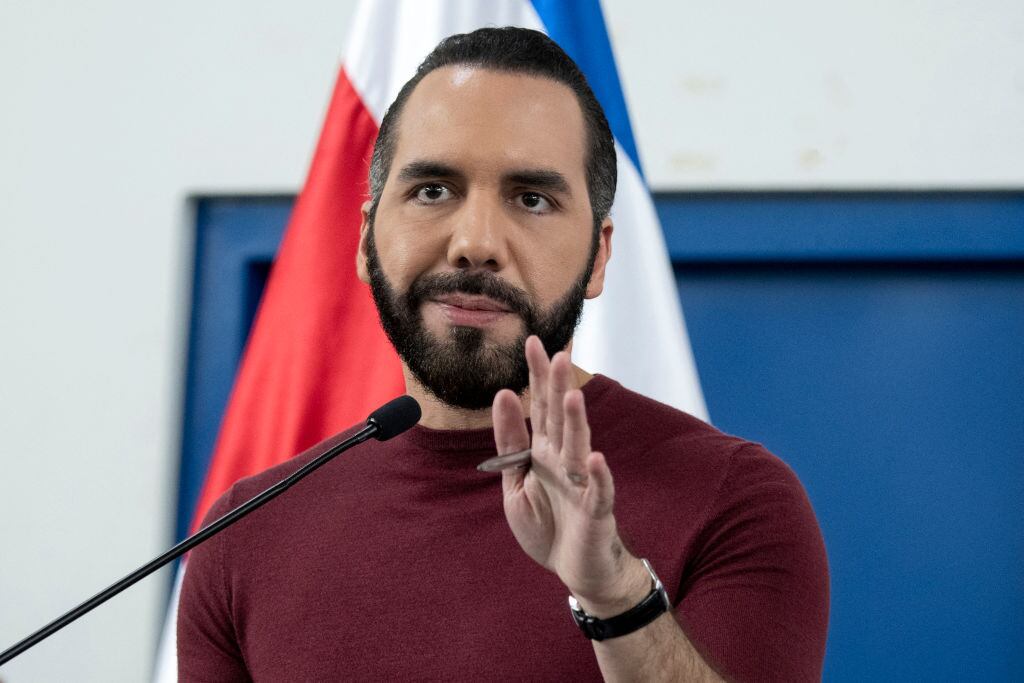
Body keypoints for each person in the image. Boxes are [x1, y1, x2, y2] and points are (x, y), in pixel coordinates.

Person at [178, 27, 828, 682]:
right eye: (433, 190)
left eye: (531, 198)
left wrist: (615, 596)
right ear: (367, 237)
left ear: (599, 255)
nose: (476, 242)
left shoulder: (734, 501)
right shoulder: (242, 536)